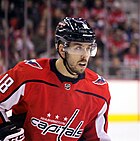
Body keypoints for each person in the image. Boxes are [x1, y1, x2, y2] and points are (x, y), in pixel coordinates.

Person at [0, 17, 111, 141]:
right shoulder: (28, 73)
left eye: (88, 48)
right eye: (78, 48)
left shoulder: (99, 90)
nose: (85, 55)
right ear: (61, 49)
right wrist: (2, 128)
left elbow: (97, 137)